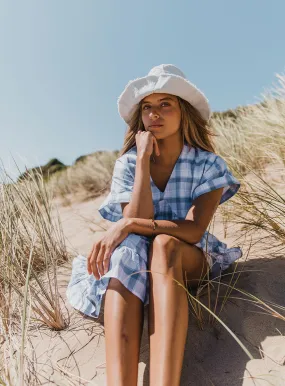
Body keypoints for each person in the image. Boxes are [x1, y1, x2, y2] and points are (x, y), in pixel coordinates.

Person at [66, 64, 242, 386]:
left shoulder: (208, 164)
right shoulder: (129, 164)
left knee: (163, 245)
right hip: (136, 261)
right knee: (126, 254)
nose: (154, 114)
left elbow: (193, 231)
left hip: (185, 256)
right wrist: (143, 160)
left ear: (183, 112)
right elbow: (136, 215)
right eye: (147, 107)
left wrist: (129, 224)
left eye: (165, 104)